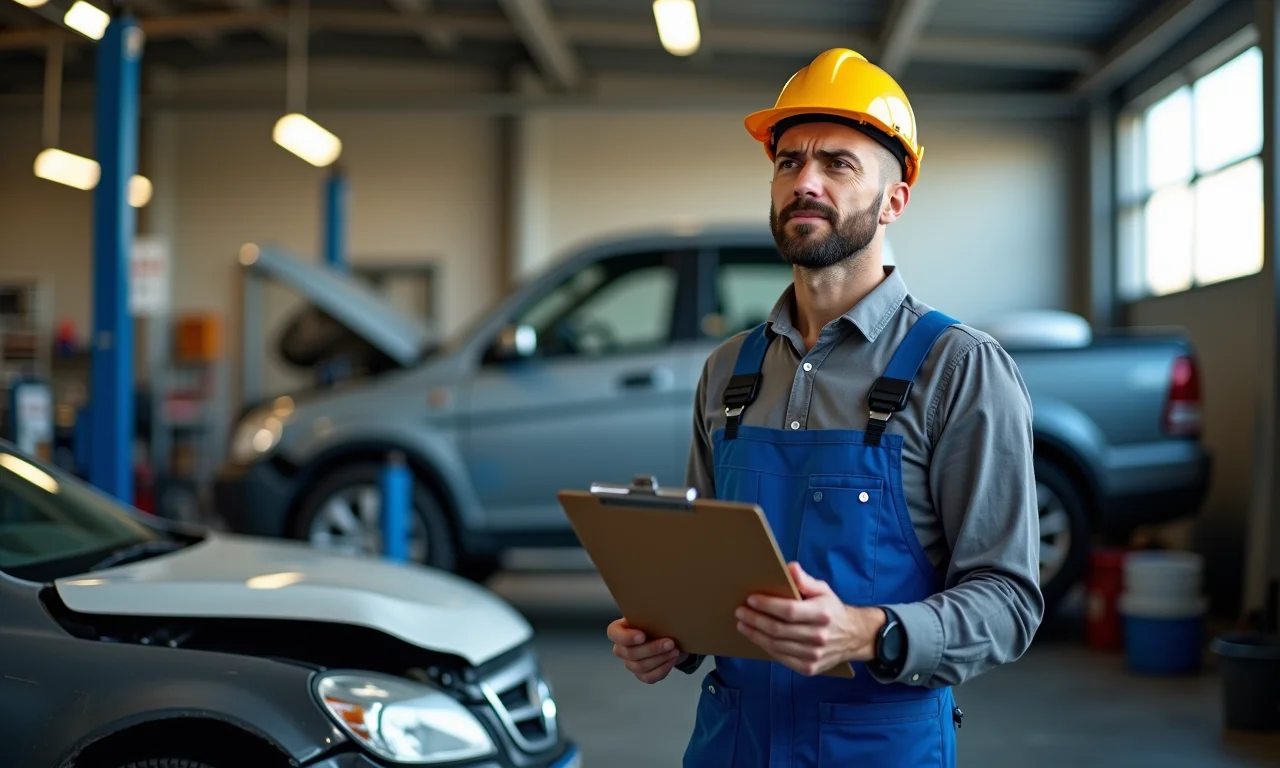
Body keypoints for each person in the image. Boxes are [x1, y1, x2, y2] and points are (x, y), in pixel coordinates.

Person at [605, 47, 1044, 767]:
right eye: (789, 162)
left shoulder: (958, 368)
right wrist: (668, 636)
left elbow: (1009, 601)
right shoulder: (729, 371)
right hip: (731, 745)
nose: (805, 181)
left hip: (877, 748)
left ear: (894, 200)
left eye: (838, 164)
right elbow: (705, 574)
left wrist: (871, 632)